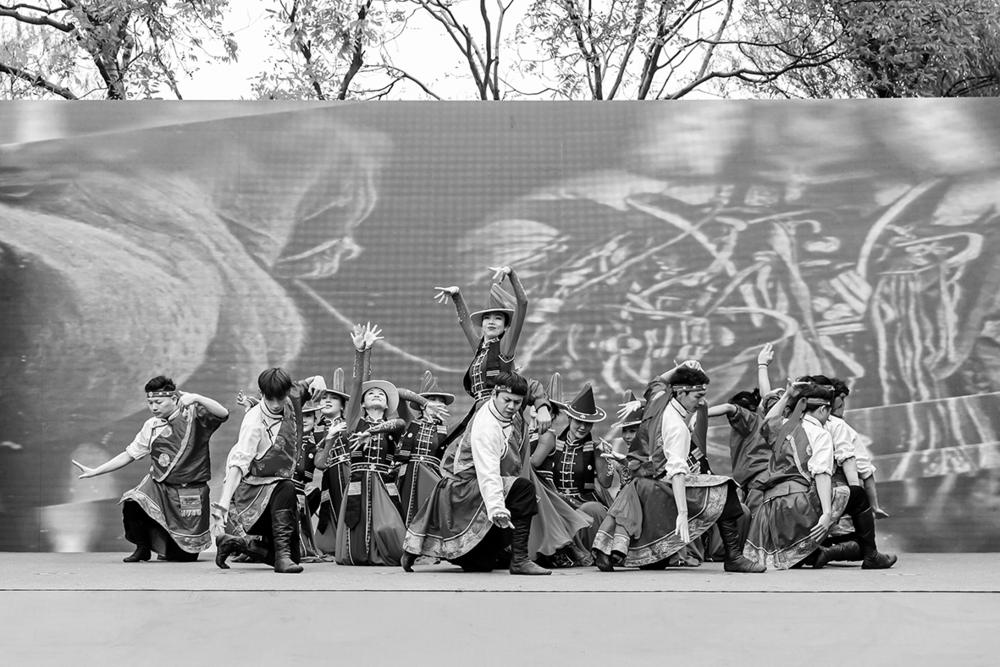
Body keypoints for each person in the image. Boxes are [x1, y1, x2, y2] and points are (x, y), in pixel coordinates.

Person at [591, 366, 764, 573]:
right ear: (681, 393)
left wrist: (682, 366)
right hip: (662, 486)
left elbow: (657, 381)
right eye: (698, 396)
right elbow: (677, 473)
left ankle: (655, 558)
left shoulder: (658, 400)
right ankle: (733, 557)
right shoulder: (677, 427)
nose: (701, 402)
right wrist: (683, 512)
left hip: (643, 483)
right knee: (726, 490)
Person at [401, 371, 552, 575]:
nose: (512, 406)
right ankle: (520, 561)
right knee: (523, 489)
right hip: (465, 488)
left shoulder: (510, 407)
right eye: (507, 400)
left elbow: (532, 386)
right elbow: (488, 472)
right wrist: (496, 508)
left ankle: (473, 555)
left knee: (482, 564)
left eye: (517, 402)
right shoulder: (487, 426)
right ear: (494, 394)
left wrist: (542, 407)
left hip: (481, 487)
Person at [72, 377, 228, 562]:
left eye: (158, 402)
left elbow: (223, 413)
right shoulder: (151, 425)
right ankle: (142, 548)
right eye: (150, 402)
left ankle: (173, 549)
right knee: (133, 502)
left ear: (174, 398)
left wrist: (197, 398)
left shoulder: (194, 417)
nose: (153, 407)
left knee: (181, 558)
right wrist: (96, 471)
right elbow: (129, 454)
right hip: (160, 484)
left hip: (189, 490)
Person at [742, 383, 897, 570]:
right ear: (823, 409)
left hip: (771, 508)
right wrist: (826, 513)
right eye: (829, 412)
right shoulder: (820, 434)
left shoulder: (785, 426)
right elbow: (821, 474)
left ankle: (819, 553)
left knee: (802, 551)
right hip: (797, 504)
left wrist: (787, 395)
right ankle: (871, 556)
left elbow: (767, 421)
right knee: (857, 494)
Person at [212, 366, 328, 574]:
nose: (275, 404)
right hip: (253, 494)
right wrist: (223, 504)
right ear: (261, 394)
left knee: (296, 556)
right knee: (287, 486)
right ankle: (282, 559)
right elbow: (239, 464)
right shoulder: (253, 422)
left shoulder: (292, 396)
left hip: (279, 498)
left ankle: (235, 544)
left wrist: (318, 378)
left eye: (280, 398)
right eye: (269, 398)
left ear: (287, 392)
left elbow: (308, 382)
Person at [433, 265, 552, 445]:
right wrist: (456, 295)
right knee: (451, 451)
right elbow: (465, 323)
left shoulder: (505, 347)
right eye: (487, 318)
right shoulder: (480, 347)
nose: (491, 322)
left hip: (499, 413)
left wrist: (511, 274)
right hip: (479, 412)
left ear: (505, 326)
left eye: (498, 318)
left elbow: (523, 304)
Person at [532, 381, 613, 566]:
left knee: (592, 510)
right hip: (558, 501)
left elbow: (606, 483)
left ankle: (592, 552)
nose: (582, 427)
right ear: (569, 419)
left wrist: (605, 458)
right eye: (578, 422)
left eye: (588, 423)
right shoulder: (552, 443)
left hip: (584, 501)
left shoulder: (596, 448)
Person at [705, 343, 776, 514]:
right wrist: (762, 365)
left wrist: (699, 415)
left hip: (759, 482)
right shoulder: (766, 419)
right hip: (764, 479)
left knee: (755, 524)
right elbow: (767, 397)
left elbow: (729, 408)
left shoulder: (749, 420)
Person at [396, 371, 454, 526]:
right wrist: (425, 402)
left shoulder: (448, 430)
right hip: (407, 476)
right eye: (432, 399)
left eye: (441, 401)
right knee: (404, 515)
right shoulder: (409, 422)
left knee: (429, 519)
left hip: (432, 478)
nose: (437, 403)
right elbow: (397, 393)